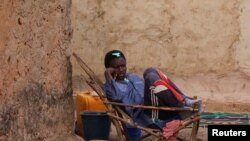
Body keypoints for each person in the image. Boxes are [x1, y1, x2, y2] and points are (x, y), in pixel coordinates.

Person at [102, 50, 154, 141]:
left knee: (151, 73)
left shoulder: (133, 77)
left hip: (155, 103)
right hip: (147, 114)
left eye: (123, 65)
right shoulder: (111, 87)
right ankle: (183, 103)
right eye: (116, 67)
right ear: (110, 69)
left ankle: (183, 102)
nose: (121, 70)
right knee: (151, 73)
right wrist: (108, 75)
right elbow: (116, 97)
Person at [143, 67, 204, 140]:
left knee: (157, 75)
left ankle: (184, 100)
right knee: (155, 79)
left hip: (162, 106)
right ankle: (184, 102)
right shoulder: (151, 78)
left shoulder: (152, 75)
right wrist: (180, 106)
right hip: (157, 116)